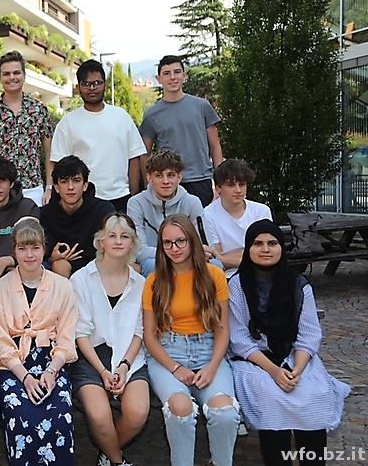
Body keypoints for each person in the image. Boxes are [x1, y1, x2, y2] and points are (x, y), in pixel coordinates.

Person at [228, 219, 349, 466]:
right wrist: (274, 371)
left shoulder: (298, 285)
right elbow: (239, 340)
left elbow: (309, 335)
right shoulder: (237, 286)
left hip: (294, 357)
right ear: (248, 248)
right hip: (255, 360)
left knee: (312, 395)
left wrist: (296, 370)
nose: (265, 249)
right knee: (270, 397)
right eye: (258, 243)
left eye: (272, 243)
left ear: (281, 248)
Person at [142, 214, 240, 466]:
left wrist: (212, 367)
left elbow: (222, 329)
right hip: (168, 353)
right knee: (180, 410)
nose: (174, 248)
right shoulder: (154, 281)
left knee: (225, 414)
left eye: (180, 241)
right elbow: (149, 336)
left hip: (208, 350)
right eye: (167, 243)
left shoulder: (213, 275)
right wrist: (175, 368)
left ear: (192, 241)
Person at [0, 217, 78, 466]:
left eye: (35, 248)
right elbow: (1, 341)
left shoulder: (63, 287)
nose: (29, 255)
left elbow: (67, 336)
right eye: (23, 248)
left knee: (60, 417)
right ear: (14, 250)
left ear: (44, 248)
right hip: (12, 367)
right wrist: (25, 377)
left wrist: (52, 370)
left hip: (51, 362)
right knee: (21, 416)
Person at [70, 213, 149, 466]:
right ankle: (117, 461)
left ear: (132, 243)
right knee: (99, 416)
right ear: (101, 241)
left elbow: (140, 331)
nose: (118, 241)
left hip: (129, 355)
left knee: (138, 413)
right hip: (90, 356)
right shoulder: (80, 279)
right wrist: (103, 371)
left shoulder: (141, 283)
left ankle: (106, 454)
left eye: (124, 236)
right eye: (111, 235)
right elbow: (80, 333)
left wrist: (124, 367)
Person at [50, 60, 146, 211]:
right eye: (86, 84)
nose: (92, 88)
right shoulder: (67, 122)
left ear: (105, 85)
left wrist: (133, 194)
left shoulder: (121, 116)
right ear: (78, 88)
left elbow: (134, 156)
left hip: (120, 196)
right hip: (83, 199)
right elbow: (59, 163)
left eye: (97, 83)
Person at [139, 55, 224, 207]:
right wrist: (149, 184)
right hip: (168, 182)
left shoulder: (202, 106)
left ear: (184, 75)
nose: (173, 77)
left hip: (200, 180)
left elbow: (215, 147)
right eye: (167, 73)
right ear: (158, 79)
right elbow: (145, 153)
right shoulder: (151, 114)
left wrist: (220, 182)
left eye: (177, 72)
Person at [0, 50, 55, 206]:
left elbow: (49, 151)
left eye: (16, 72)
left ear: (24, 75)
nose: (12, 77)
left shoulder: (38, 109)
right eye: (6, 74)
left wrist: (49, 188)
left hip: (32, 188)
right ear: (0, 77)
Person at [127, 150, 217, 278]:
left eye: (170, 175)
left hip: (188, 259)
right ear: (149, 178)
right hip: (155, 261)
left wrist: (182, 254)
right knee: (151, 265)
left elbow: (206, 247)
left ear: (179, 177)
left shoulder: (192, 202)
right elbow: (138, 251)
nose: (165, 181)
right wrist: (177, 252)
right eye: (159, 175)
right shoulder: (136, 203)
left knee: (216, 266)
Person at [41, 155, 115, 278]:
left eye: (76, 181)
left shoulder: (103, 210)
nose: (70, 187)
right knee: (60, 265)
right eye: (64, 181)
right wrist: (52, 258)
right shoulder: (44, 215)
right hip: (61, 270)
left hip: (99, 265)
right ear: (56, 187)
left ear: (85, 185)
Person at [204, 159, 272, 278]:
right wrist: (249, 253)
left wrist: (225, 259)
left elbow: (265, 250)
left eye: (242, 184)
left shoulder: (261, 211)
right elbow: (215, 260)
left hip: (259, 274)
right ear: (218, 188)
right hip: (225, 276)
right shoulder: (207, 214)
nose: (238, 190)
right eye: (231, 185)